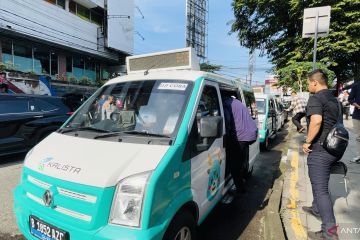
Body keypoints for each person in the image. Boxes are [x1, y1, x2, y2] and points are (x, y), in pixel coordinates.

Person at [302, 69, 340, 240]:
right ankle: (316, 209)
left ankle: (330, 234)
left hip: (320, 149)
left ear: (315, 83)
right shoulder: (334, 99)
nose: (308, 86)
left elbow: (316, 121)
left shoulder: (315, 98)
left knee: (321, 191)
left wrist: (307, 142)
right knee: (321, 185)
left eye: (308, 83)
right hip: (334, 148)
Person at [222, 92, 258, 194]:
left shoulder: (225, 104)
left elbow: (227, 123)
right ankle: (243, 177)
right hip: (250, 133)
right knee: (241, 158)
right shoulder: (236, 101)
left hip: (241, 136)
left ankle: (240, 189)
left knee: (234, 165)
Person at [348, 81, 360, 163]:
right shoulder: (356, 85)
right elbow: (350, 99)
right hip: (358, 116)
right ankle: (359, 156)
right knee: (358, 137)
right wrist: (358, 106)